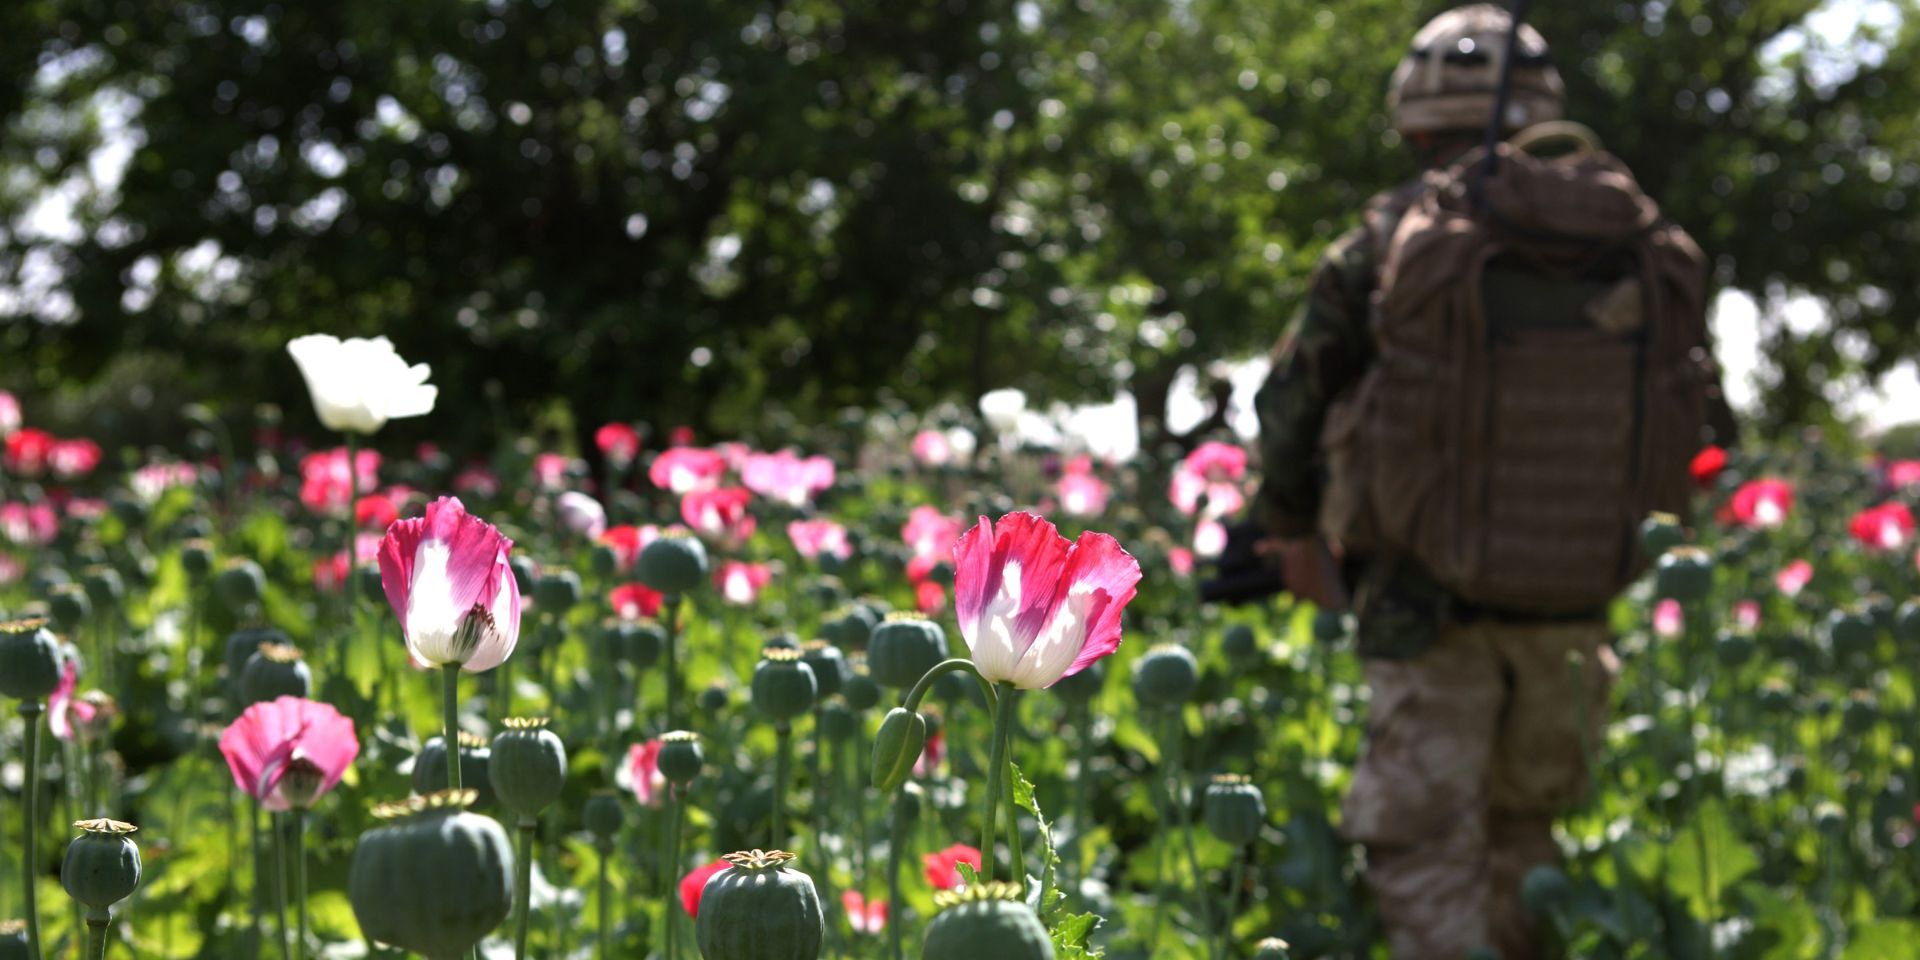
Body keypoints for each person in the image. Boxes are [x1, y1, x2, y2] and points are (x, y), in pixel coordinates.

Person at [1253, 6, 1729, 958]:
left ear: (1415, 118)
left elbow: (1295, 395)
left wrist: (1293, 529)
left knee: (1425, 845)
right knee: (1527, 839)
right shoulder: (1632, 235)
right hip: (1577, 601)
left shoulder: (1392, 233)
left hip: (1424, 603)